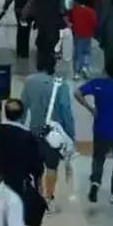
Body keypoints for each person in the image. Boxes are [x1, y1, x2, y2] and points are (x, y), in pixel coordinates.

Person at [21, 60, 75, 211]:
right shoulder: (61, 85)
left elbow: (23, 105)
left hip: (35, 130)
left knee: (36, 167)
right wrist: (70, 133)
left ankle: (37, 195)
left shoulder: (30, 82)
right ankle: (48, 198)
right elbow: (66, 111)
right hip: (54, 135)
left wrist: (21, 126)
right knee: (52, 167)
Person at [0, 98, 45, 216]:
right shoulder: (28, 137)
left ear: (5, 112)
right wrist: (38, 185)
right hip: (17, 186)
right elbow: (36, 166)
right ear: (22, 114)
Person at [75, 59, 113, 204]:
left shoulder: (97, 84)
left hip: (101, 128)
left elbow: (77, 93)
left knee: (98, 158)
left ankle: (95, 183)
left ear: (105, 70)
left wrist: (90, 108)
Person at [29, 0, 66, 71]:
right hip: (54, 23)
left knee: (41, 43)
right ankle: (49, 67)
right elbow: (62, 9)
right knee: (51, 45)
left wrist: (26, 15)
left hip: (41, 20)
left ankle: (40, 66)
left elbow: (32, 3)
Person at [70, 0, 97, 78]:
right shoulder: (91, 11)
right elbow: (94, 23)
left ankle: (76, 73)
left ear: (77, 1)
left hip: (77, 34)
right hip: (88, 34)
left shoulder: (73, 10)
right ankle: (85, 68)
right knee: (86, 52)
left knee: (77, 53)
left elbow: (70, 21)